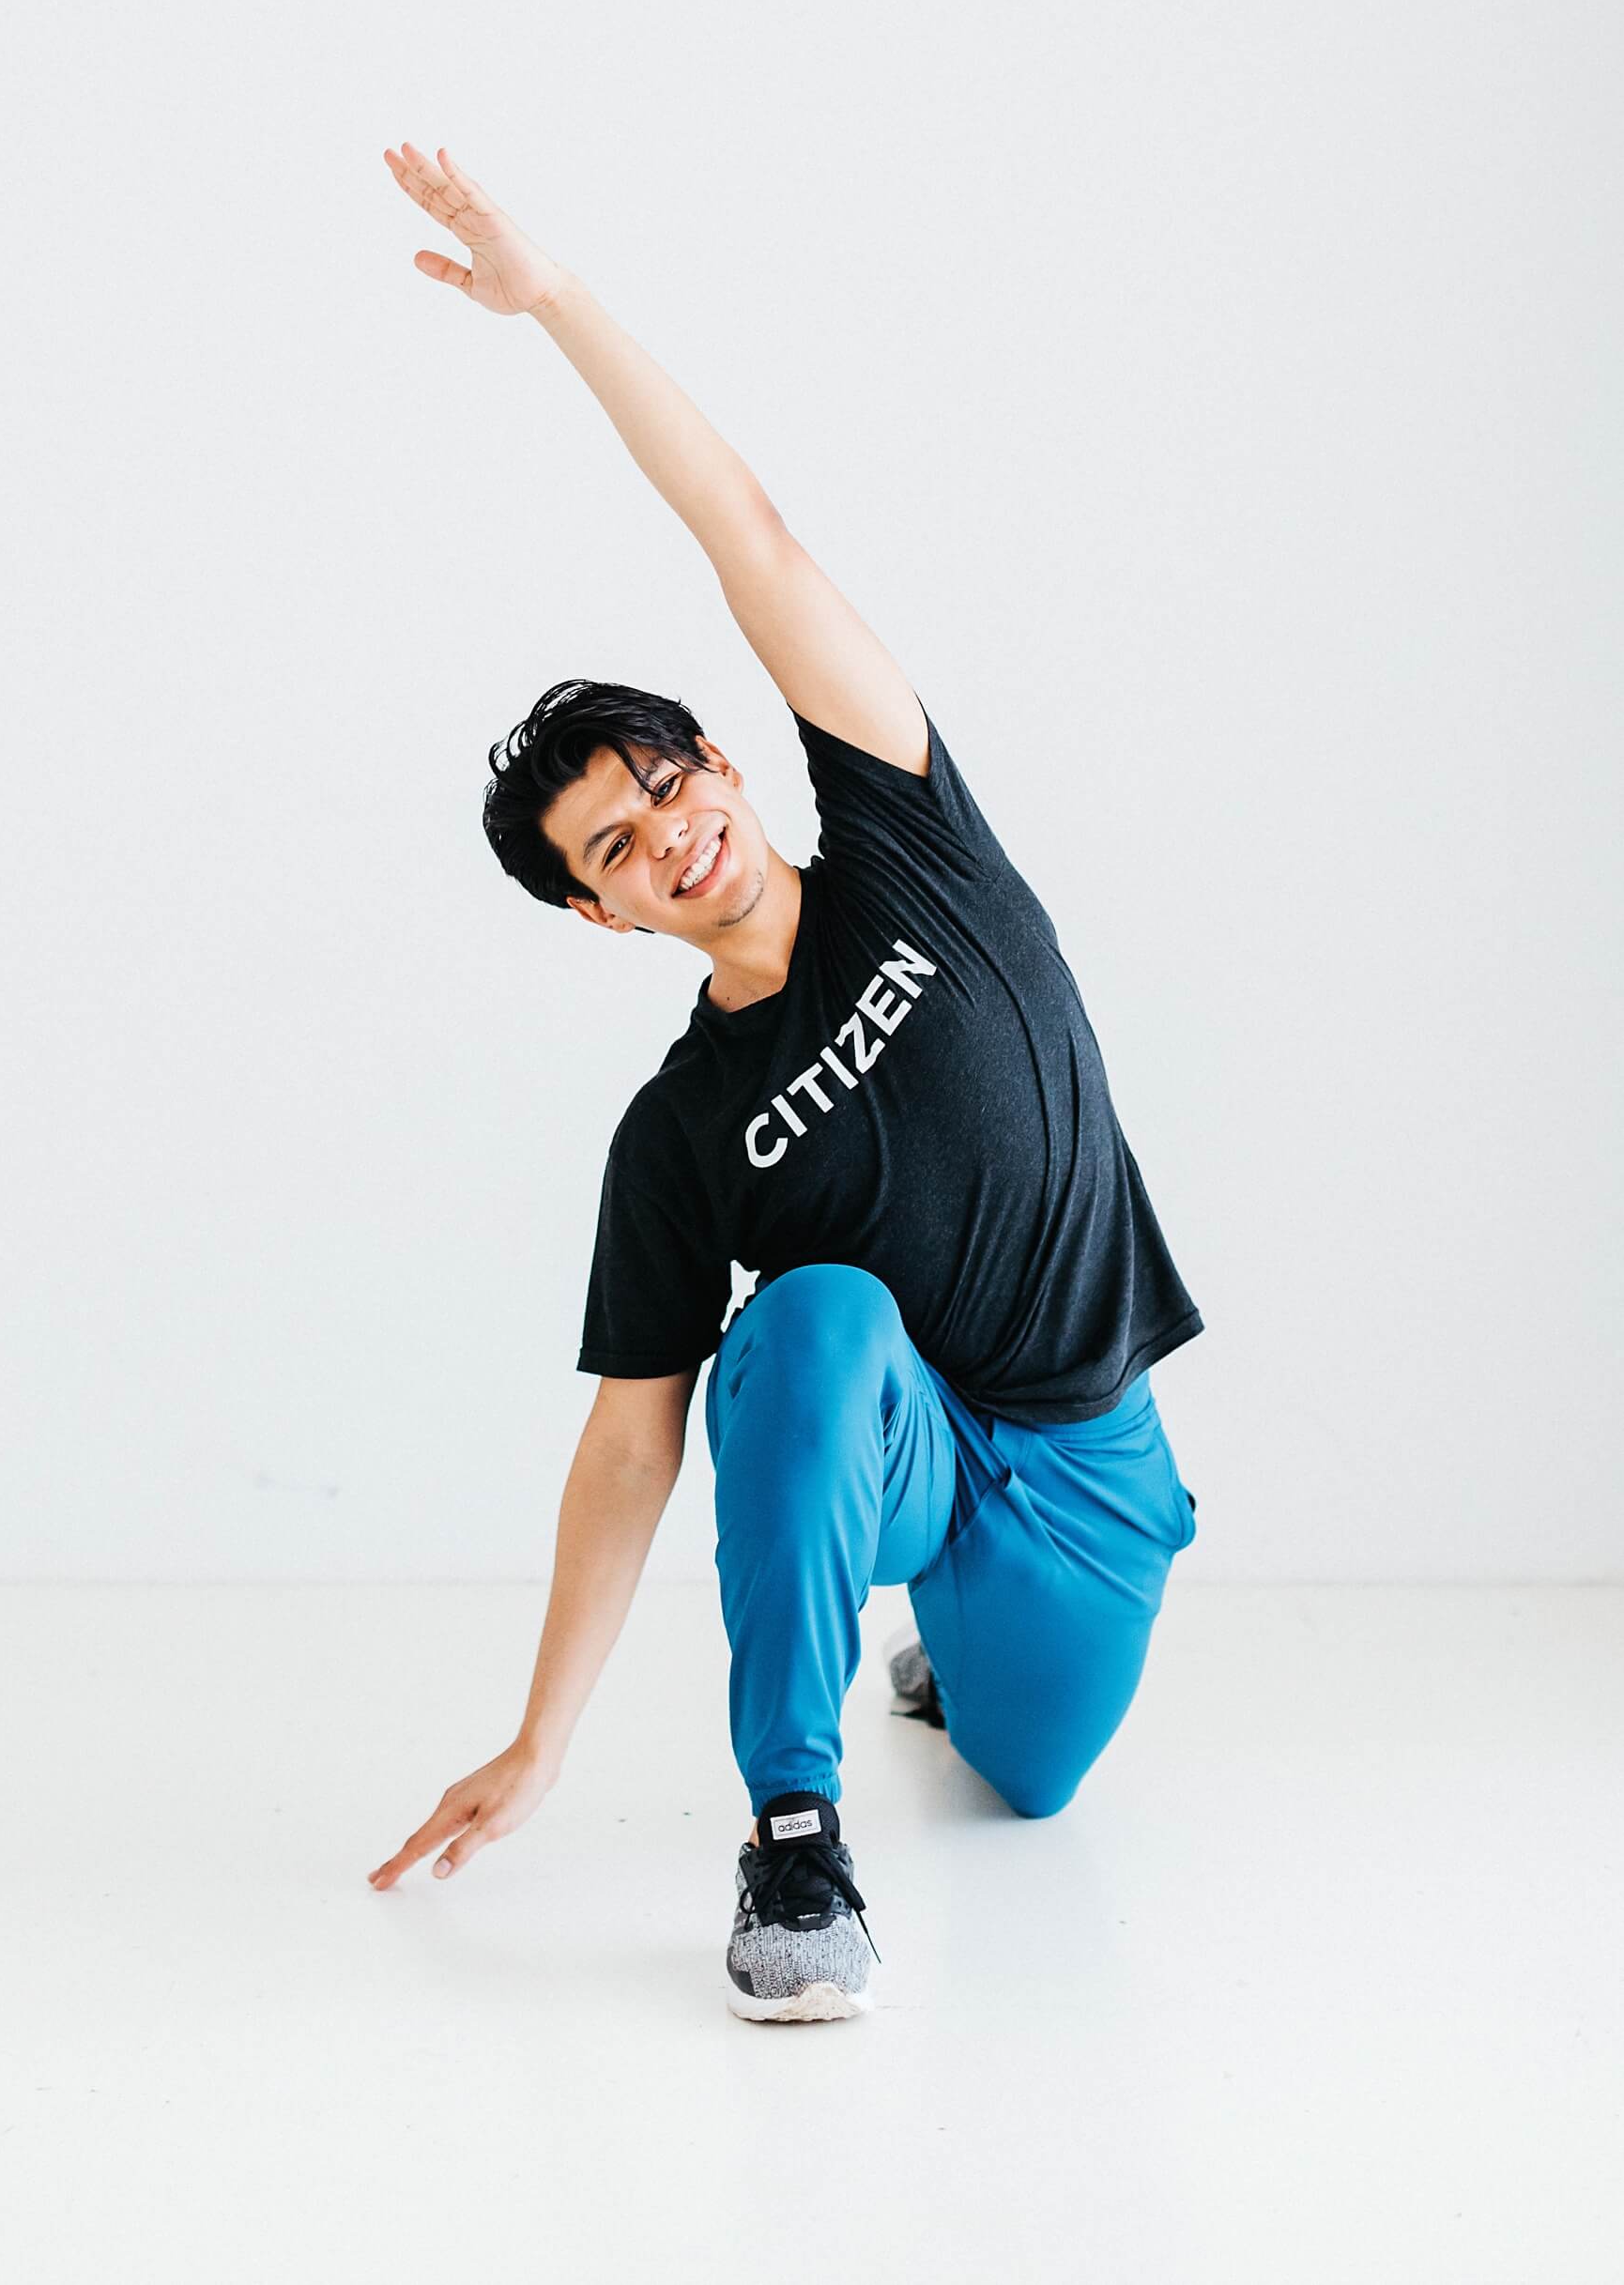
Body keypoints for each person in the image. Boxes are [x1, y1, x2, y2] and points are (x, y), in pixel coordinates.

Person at [365, 143, 1204, 2023]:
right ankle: (798, 1836)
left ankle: (946, 1654)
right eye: (615, 847)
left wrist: (556, 302)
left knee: (1032, 1775)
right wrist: (541, 1739)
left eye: (666, 786)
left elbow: (747, 533)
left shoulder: (912, 843)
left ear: (728, 767)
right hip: (890, 1436)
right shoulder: (678, 1135)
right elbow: (630, 1443)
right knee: (807, 1322)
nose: (665, 835)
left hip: (1079, 1463)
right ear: (600, 913)